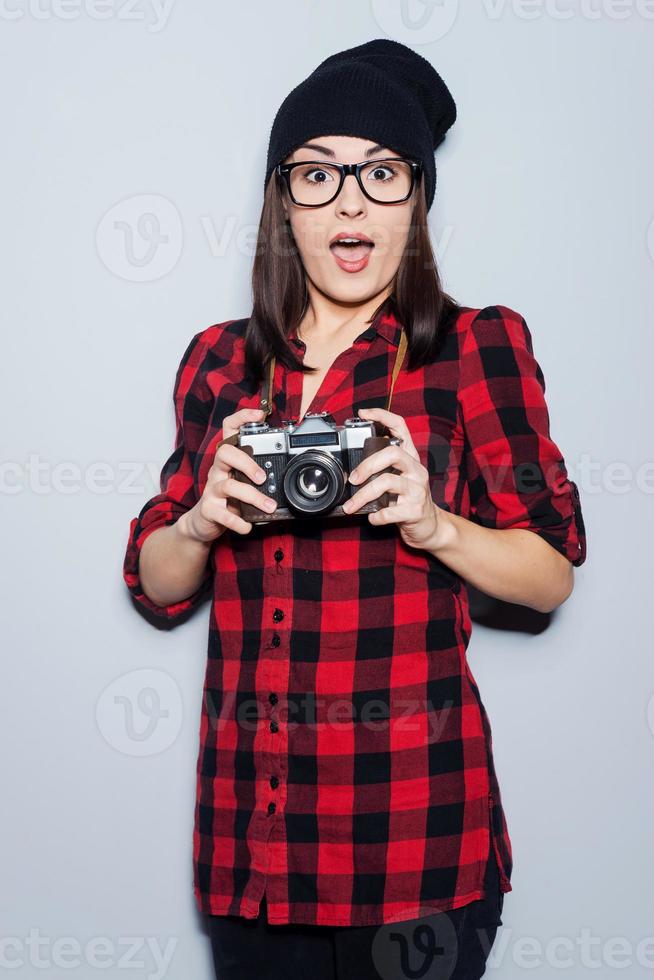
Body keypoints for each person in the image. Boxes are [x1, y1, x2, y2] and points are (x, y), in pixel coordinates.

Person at [122, 38, 587, 980]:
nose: (348, 199)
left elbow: (552, 574)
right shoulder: (221, 361)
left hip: (415, 841)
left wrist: (433, 523)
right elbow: (152, 580)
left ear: (417, 199)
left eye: (381, 172)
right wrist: (201, 521)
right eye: (317, 172)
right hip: (252, 849)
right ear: (280, 201)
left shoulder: (472, 346)